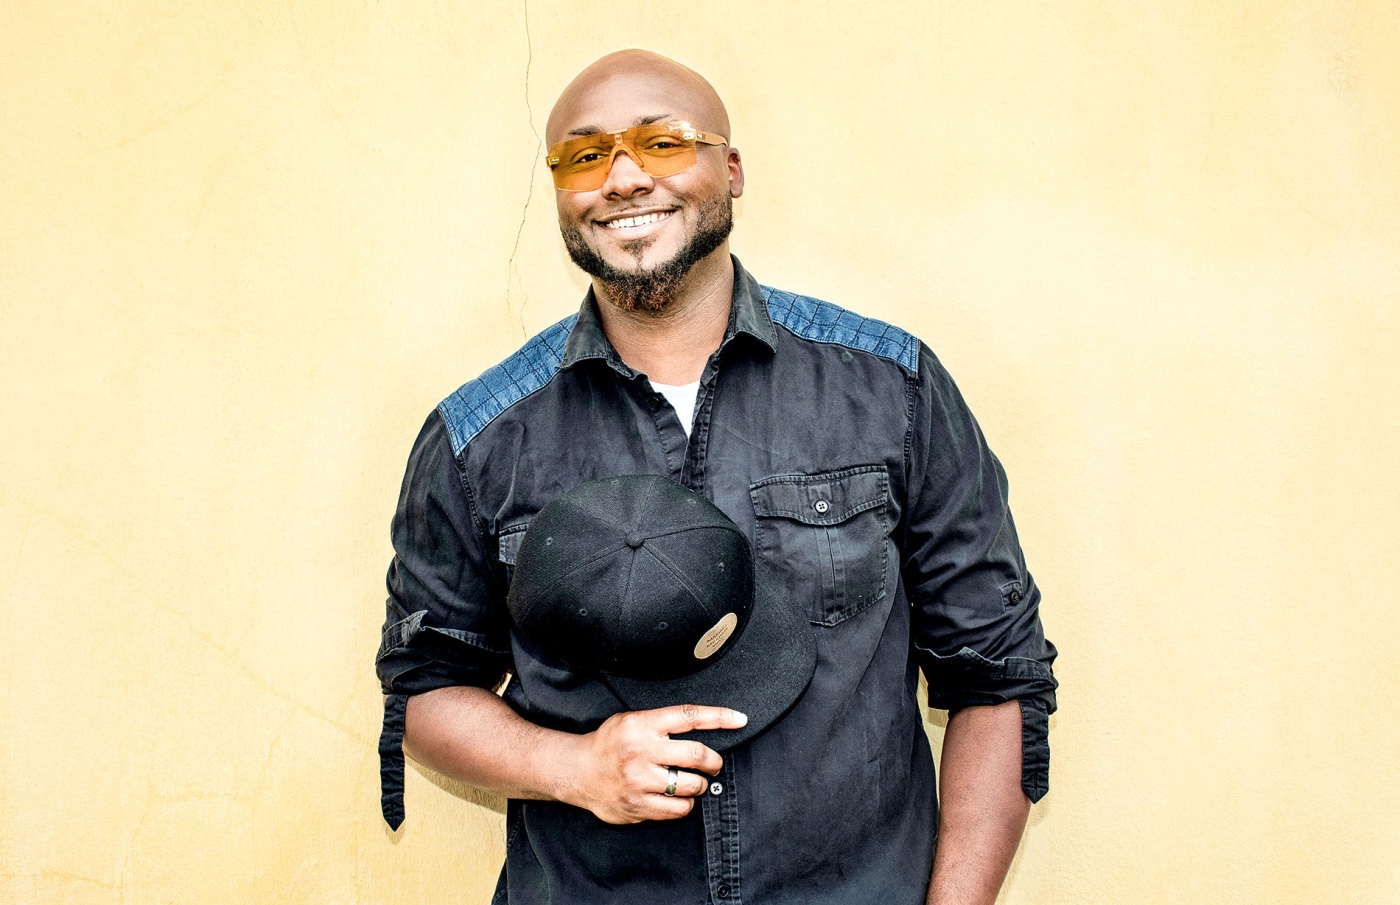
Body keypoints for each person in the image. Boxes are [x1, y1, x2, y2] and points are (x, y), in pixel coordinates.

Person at [375, 49, 1058, 905]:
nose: (623, 178)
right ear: (560, 192)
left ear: (730, 171)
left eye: (663, 142)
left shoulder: (892, 391)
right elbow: (427, 690)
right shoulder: (480, 438)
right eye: (585, 156)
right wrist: (572, 765)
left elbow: (996, 676)